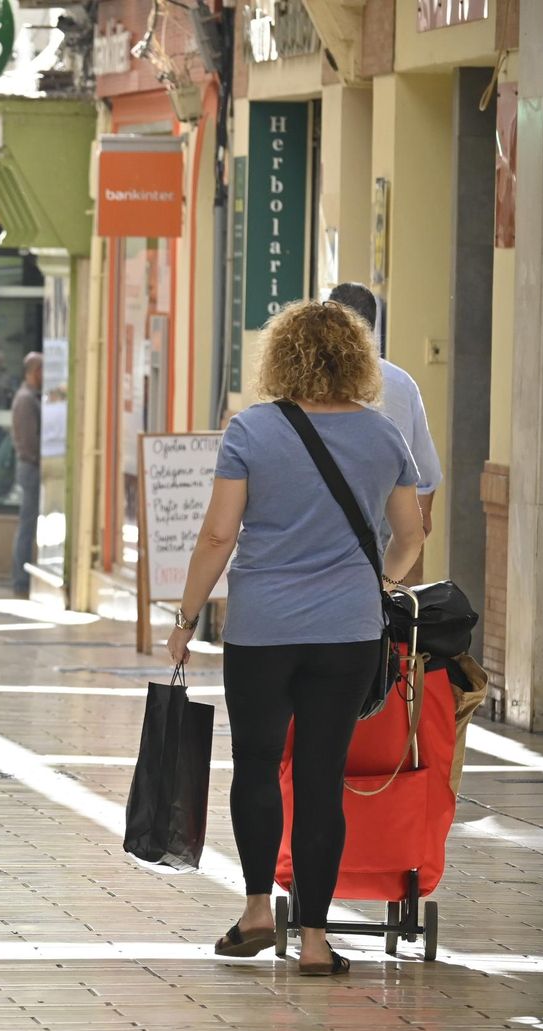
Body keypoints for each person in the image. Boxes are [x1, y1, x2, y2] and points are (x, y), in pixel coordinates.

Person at [165, 299, 424, 977]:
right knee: (319, 778)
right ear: (357, 359)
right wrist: (376, 585)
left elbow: (219, 535)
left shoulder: (251, 430)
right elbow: (411, 535)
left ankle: (256, 911)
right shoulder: (383, 436)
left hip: (262, 630)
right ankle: (313, 938)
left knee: (254, 764)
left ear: (280, 358)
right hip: (346, 632)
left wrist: (186, 616)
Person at [326, 282, 443, 585]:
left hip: (323, 520)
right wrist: (418, 524)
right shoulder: (401, 384)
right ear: (373, 326)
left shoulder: (310, 382)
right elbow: (425, 472)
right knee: (385, 612)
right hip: (388, 515)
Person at [9, 352, 45, 597]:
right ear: (35, 372)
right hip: (30, 468)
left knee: (29, 524)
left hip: (31, 466)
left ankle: (22, 577)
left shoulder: (31, 398)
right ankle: (20, 579)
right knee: (27, 525)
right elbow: (29, 441)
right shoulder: (25, 399)